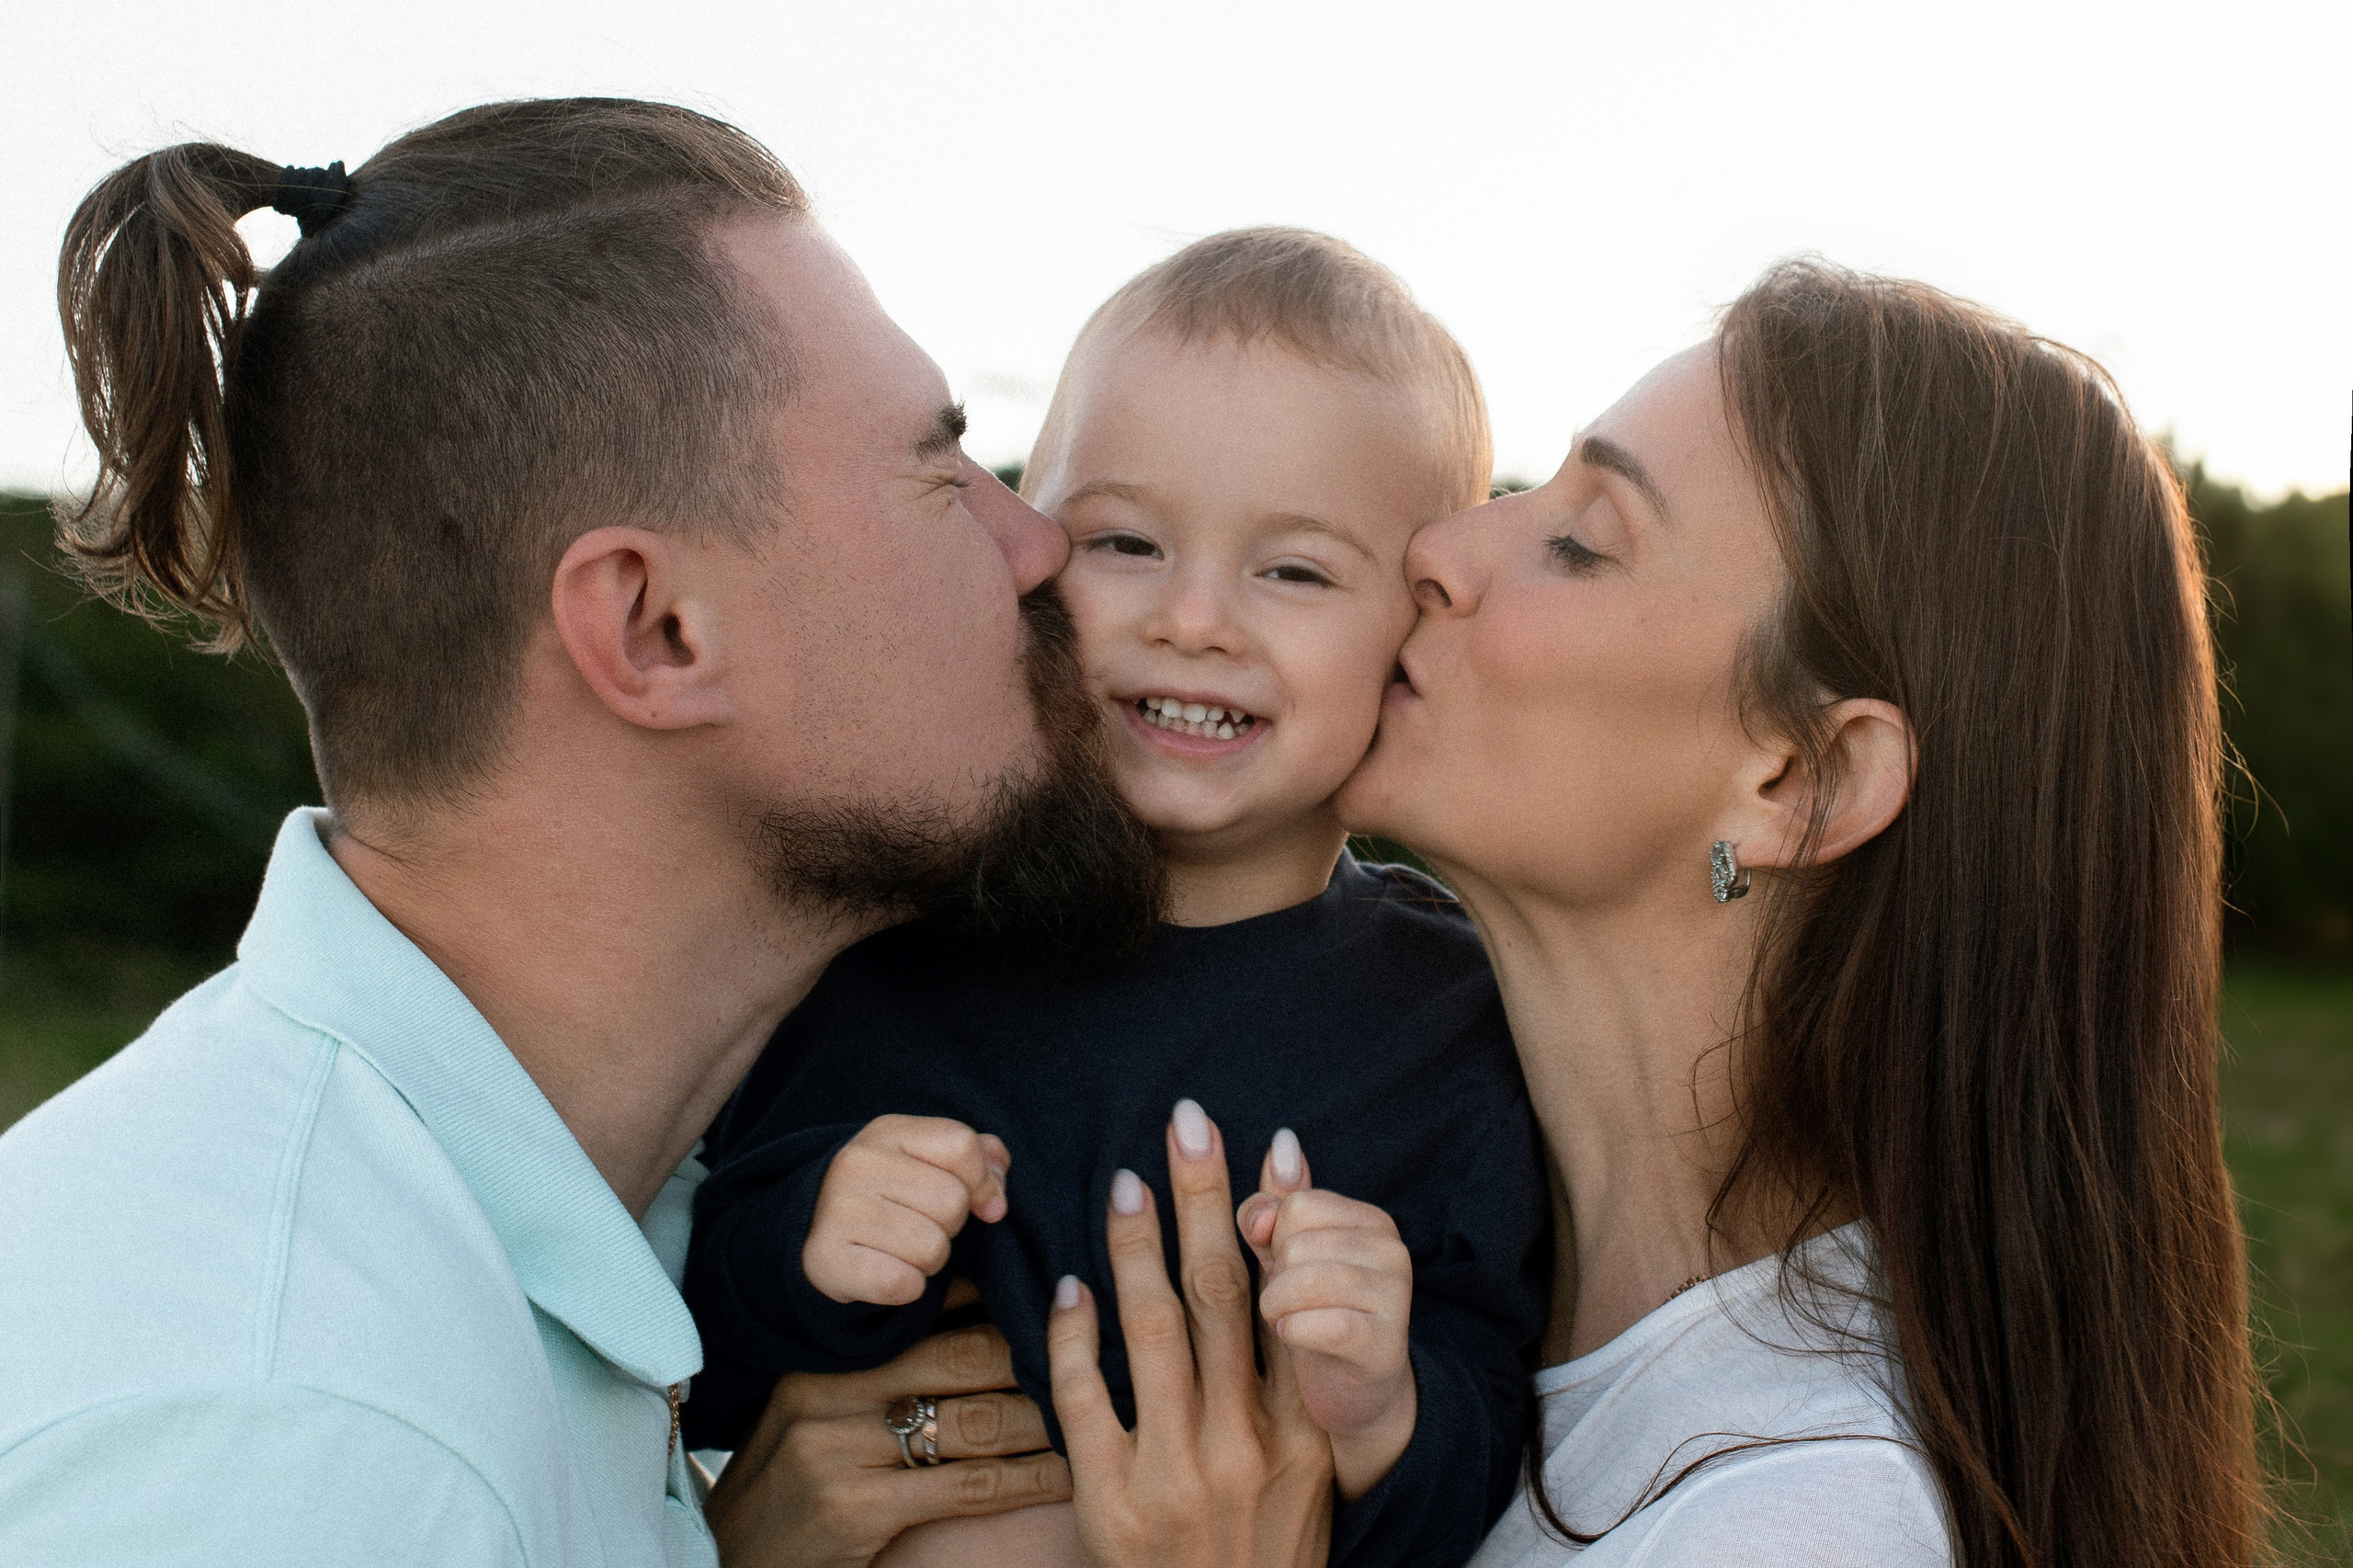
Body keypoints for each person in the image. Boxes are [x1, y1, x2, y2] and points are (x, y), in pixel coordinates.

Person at [0, 98, 1302, 1567]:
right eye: (940, 470)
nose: (1037, 544)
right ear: (655, 627)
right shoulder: (303, 1443)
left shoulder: (563, 1242)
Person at [1335, 261, 2262, 1565]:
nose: (1436, 547)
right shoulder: (1414, 1264)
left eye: (1582, 542)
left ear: (1801, 780)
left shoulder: (1797, 1524)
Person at [684, 229, 1547, 1568]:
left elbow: (1495, 1444)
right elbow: (708, 1345)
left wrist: (1388, 1404)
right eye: (1128, 541)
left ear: (1414, 629)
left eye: (1295, 569)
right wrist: (810, 1245)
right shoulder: (891, 940)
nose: (1194, 617)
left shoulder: (1457, 1022)